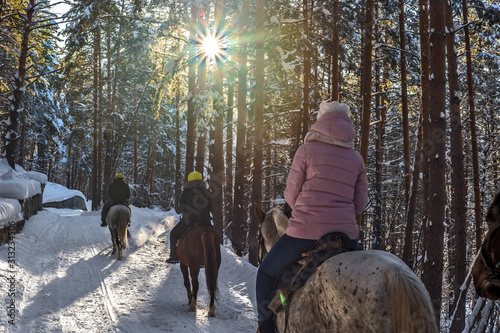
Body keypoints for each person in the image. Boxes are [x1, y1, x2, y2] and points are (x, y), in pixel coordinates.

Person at [255, 101, 368, 333]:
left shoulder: (306, 151)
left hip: (306, 233)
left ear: (320, 121)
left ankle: (266, 326)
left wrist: (307, 213)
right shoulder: (356, 159)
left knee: (265, 273)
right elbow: (359, 204)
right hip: (345, 237)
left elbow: (291, 195)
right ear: (346, 126)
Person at [166, 171, 213, 264]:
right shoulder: (207, 191)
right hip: (205, 221)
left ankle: (174, 256)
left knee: (174, 234)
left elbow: (182, 206)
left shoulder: (187, 191)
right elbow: (211, 207)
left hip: (190, 220)